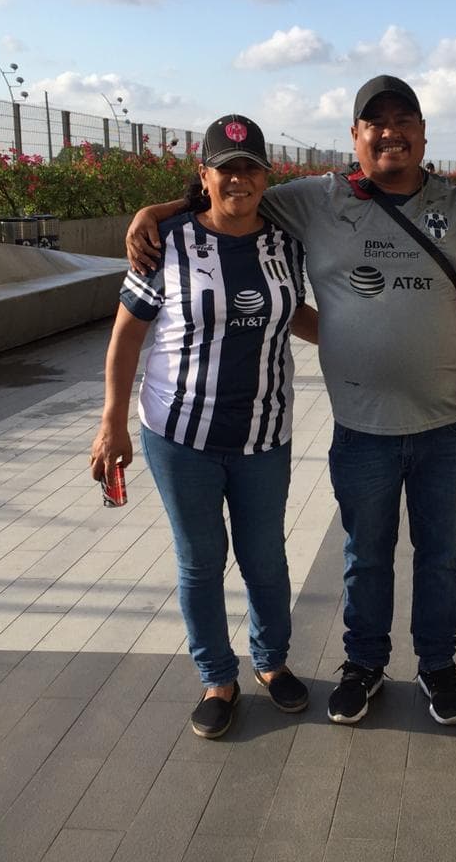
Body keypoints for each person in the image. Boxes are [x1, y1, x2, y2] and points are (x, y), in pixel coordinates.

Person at [125, 75, 456, 728]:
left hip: (447, 427)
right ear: (355, 137)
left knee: (441, 558)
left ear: (423, 135)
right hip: (361, 429)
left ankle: (437, 668)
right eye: (375, 122)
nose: (390, 131)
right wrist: (157, 212)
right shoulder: (313, 200)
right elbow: (231, 197)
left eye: (403, 120)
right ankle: (363, 665)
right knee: (365, 557)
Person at [90, 114, 317, 740]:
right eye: (227, 168)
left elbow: (292, 311)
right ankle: (217, 677)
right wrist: (111, 422)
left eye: (250, 168)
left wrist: (364, 345)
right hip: (179, 435)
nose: (239, 180)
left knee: (265, 558)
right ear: (205, 176)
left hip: (263, 434)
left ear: (266, 175)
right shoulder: (166, 242)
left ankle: (271, 663)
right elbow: (125, 335)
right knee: (200, 560)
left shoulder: (285, 242)